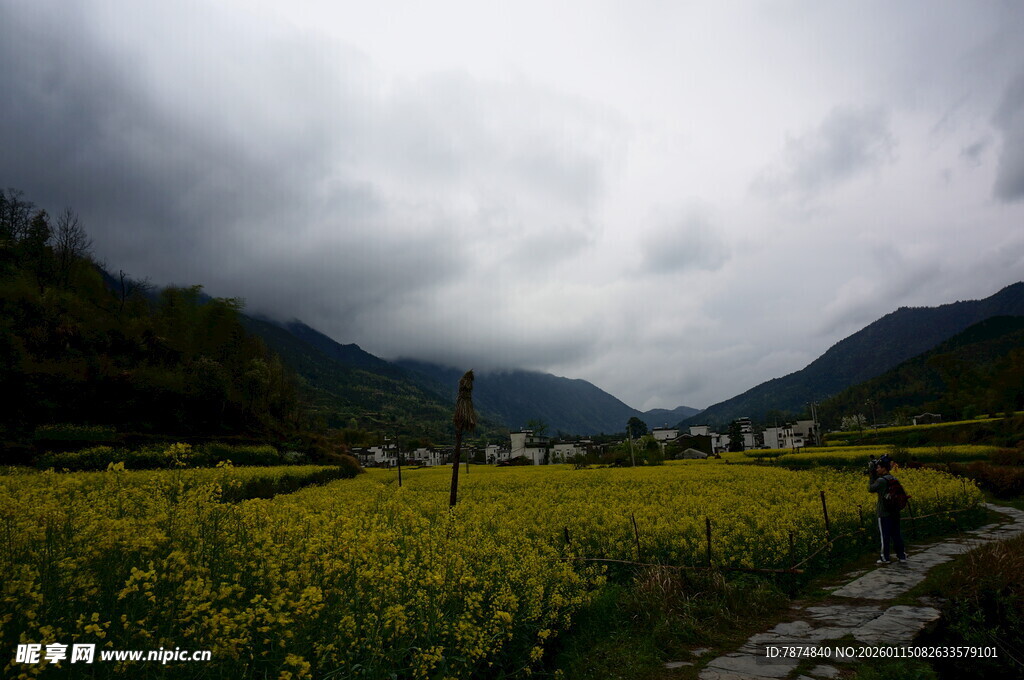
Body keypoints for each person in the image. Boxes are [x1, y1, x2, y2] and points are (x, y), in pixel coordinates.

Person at [869, 456, 907, 565]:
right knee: (896, 535)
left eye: (878, 467)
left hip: (884, 512)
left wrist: (871, 475)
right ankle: (901, 556)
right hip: (895, 511)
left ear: (884, 469)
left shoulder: (881, 480)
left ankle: (885, 558)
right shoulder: (893, 478)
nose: (877, 469)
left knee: (884, 536)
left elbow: (871, 488)